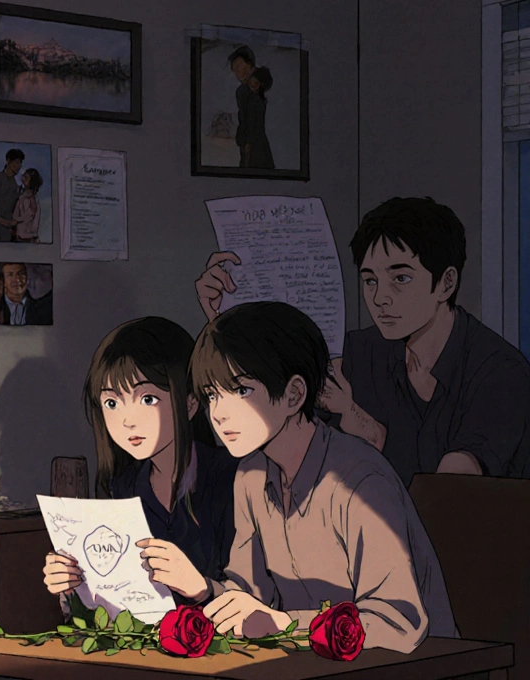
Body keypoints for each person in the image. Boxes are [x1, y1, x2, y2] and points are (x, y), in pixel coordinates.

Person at [195, 196, 530, 482]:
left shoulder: (499, 372)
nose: (381, 298)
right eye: (370, 281)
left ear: (446, 283)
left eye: (400, 278)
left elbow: (447, 496)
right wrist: (229, 324)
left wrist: (366, 427)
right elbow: (276, 428)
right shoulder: (356, 352)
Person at [191, 301, 456, 652]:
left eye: (241, 391)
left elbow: (398, 622)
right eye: (212, 395)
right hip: (312, 664)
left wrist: (283, 624)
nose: (219, 414)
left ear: (294, 393)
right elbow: (252, 595)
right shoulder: (251, 476)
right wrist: (206, 590)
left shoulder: (359, 481)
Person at [43, 317, 238, 610]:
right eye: (112, 403)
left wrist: (201, 588)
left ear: (189, 403)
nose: (127, 420)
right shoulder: (122, 487)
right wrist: (73, 586)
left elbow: (264, 595)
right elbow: (112, 600)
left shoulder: (233, 475)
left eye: (147, 398)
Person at [227, 46, 274, 170]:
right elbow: (243, 118)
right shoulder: (241, 91)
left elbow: (254, 119)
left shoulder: (261, 80)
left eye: (238, 66)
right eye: (234, 70)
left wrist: (248, 141)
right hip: (247, 144)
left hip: (257, 144)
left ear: (249, 63)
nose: (237, 72)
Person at [11, 168, 42, 243]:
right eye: (23, 177)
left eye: (26, 178)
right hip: (20, 234)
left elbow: (29, 216)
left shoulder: (29, 199)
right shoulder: (23, 196)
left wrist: (16, 220)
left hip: (26, 236)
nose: (23, 179)